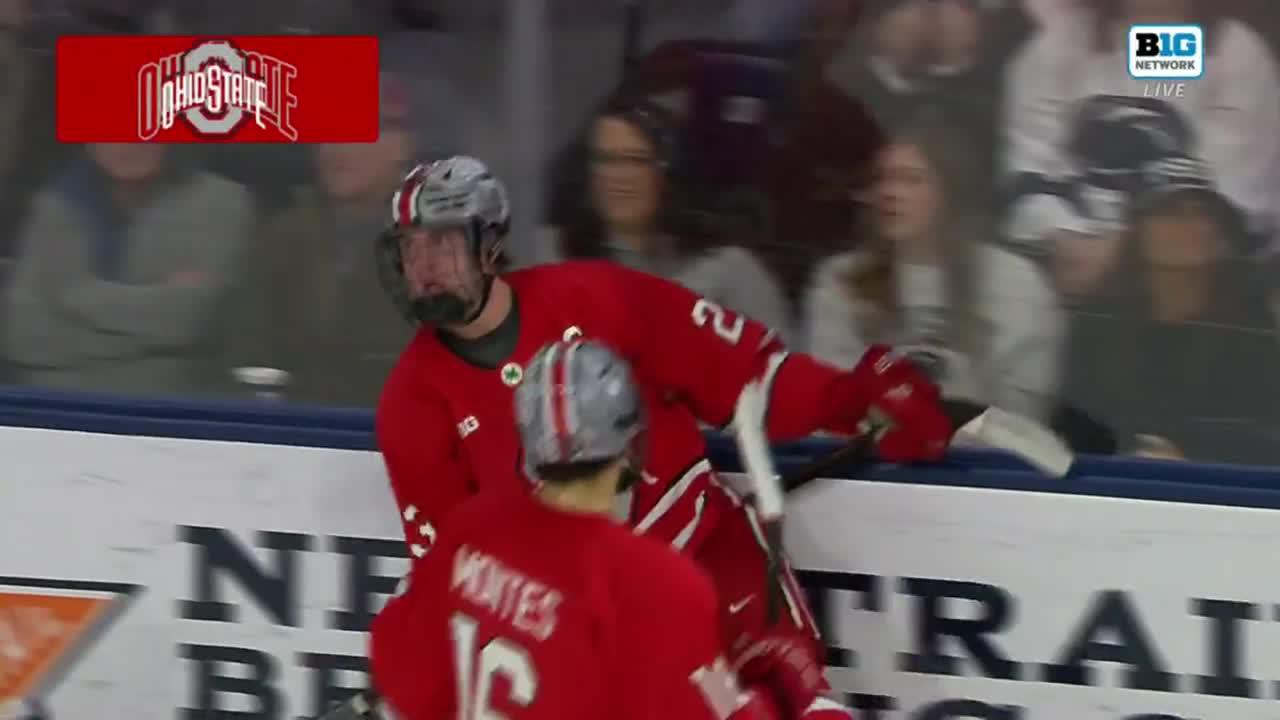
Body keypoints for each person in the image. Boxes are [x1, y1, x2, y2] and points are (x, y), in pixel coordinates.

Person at [374, 156, 952, 719]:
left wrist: (850, 400)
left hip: (713, 562)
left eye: (441, 244)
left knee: (800, 702)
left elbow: (745, 375)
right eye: (410, 248)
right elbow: (464, 576)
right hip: (593, 625)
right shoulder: (411, 406)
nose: (423, 266)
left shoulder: (597, 296)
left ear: (488, 243)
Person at [368, 339, 777, 719]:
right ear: (631, 442)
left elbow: (406, 681)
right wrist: (768, 703)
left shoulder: (472, 529)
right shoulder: (657, 584)